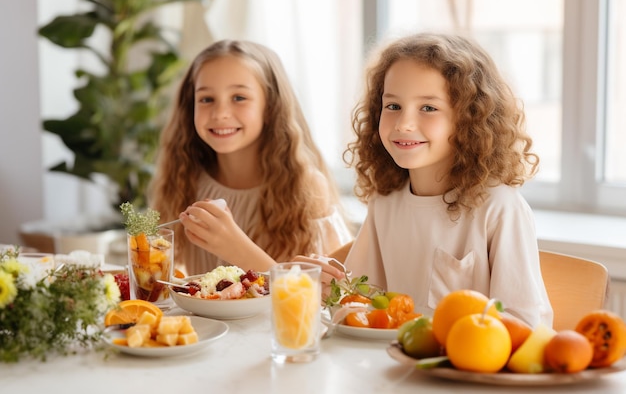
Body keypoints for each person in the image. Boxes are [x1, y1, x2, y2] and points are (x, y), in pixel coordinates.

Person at [296, 33, 553, 328]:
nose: (404, 123)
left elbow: (527, 325)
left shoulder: (500, 208)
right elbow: (361, 303)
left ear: (469, 119)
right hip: (391, 368)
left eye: (428, 108)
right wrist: (330, 290)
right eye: (393, 106)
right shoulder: (385, 203)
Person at [149, 40, 353, 275]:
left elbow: (328, 296)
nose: (220, 113)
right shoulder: (184, 178)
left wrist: (238, 250)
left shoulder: (307, 188)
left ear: (271, 107)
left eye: (239, 98)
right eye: (206, 99)